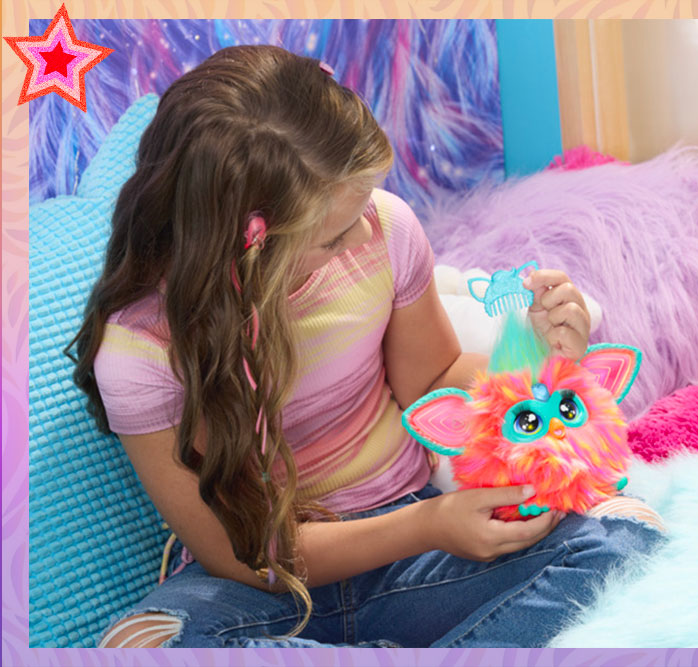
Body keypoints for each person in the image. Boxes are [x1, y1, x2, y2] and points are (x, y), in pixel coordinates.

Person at [71, 44, 667, 649]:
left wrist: (537, 361)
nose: (363, 233)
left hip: (416, 550)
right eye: (333, 235)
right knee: (140, 642)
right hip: (267, 584)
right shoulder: (140, 352)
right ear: (247, 244)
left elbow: (435, 378)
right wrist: (428, 526)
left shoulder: (385, 229)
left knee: (624, 530)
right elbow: (240, 555)